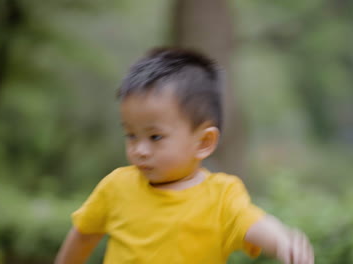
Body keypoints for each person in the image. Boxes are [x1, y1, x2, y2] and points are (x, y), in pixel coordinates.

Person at [55, 48, 314, 264]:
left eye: (155, 137)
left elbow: (253, 223)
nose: (139, 149)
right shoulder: (116, 187)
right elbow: (84, 234)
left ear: (203, 142)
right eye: (131, 135)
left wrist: (282, 240)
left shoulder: (221, 197)